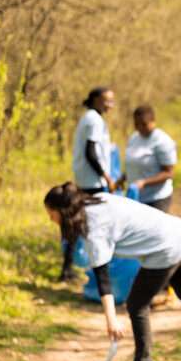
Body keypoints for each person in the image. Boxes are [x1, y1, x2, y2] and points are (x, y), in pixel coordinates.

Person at [44, 183, 181, 361]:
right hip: (175, 233)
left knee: (136, 304)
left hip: (164, 248)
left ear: (64, 212)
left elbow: (102, 277)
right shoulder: (99, 199)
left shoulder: (94, 228)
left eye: (52, 214)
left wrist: (111, 319)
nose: (51, 220)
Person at [60, 88, 115, 282]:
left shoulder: (90, 117)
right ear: (96, 100)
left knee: (78, 222)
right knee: (93, 225)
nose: (110, 104)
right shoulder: (94, 120)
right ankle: (95, 271)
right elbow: (90, 152)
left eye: (112, 101)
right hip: (92, 181)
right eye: (107, 100)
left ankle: (68, 268)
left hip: (86, 178)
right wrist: (106, 177)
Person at [120, 105, 177, 213]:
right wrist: (121, 179)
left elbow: (169, 173)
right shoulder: (134, 138)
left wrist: (144, 182)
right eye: (136, 124)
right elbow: (132, 164)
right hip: (137, 197)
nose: (140, 127)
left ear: (153, 121)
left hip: (156, 199)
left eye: (144, 124)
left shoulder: (162, 141)